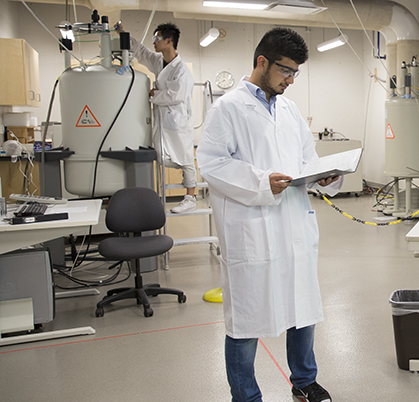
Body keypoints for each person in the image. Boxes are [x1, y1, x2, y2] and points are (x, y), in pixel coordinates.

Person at [196, 28, 341, 402]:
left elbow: (306, 159)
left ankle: (304, 381)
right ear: (262, 62)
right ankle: (245, 395)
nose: (290, 80)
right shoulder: (226, 108)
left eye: (295, 73)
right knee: (245, 320)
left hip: (294, 223)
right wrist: (262, 182)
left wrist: (323, 175)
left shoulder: (290, 111)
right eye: (285, 71)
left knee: (302, 308)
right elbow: (211, 165)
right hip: (252, 228)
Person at [121, 22, 198, 213]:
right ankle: (183, 177)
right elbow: (142, 52)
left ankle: (190, 197)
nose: (154, 42)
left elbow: (176, 95)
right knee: (161, 157)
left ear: (169, 41)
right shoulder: (158, 61)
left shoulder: (182, 70)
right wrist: (123, 35)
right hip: (163, 120)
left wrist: (153, 95)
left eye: (157, 38)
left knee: (186, 158)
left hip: (178, 121)